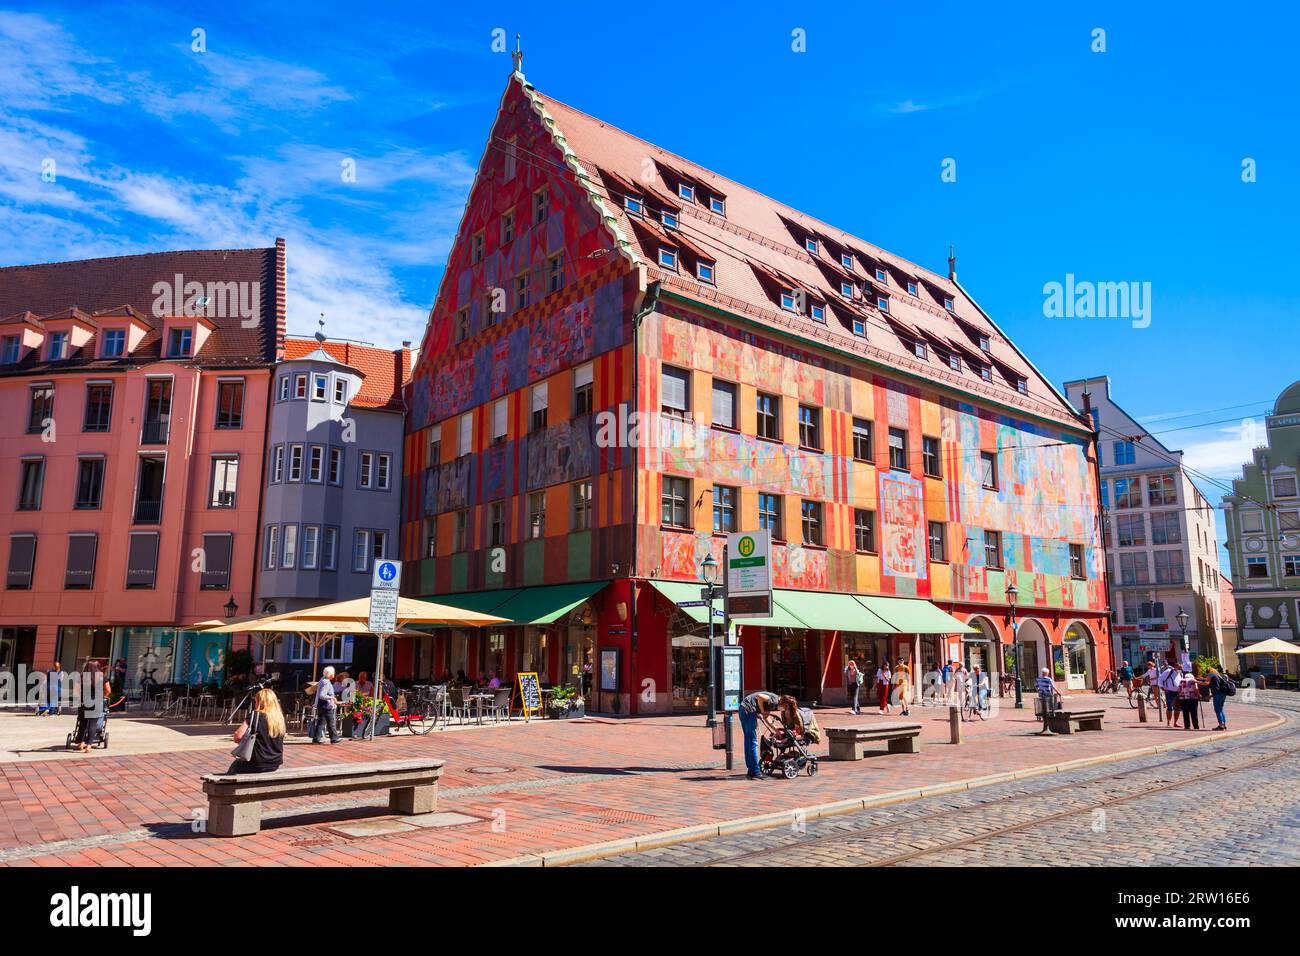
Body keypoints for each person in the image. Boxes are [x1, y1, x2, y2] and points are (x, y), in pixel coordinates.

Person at [227, 688, 286, 773]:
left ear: (259, 702)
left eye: (256, 701)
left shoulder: (255, 715)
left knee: (235, 767)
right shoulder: (279, 718)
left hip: (256, 762)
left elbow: (238, 736)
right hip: (274, 763)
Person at [738, 691, 781, 781]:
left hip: (743, 709)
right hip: (749, 711)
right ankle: (756, 772)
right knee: (753, 742)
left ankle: (751, 770)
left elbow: (766, 717)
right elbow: (759, 696)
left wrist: (776, 731)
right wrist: (761, 710)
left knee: (748, 741)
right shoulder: (775, 700)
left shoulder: (773, 702)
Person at [74, 664, 113, 753]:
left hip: (84, 702)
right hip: (96, 703)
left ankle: (81, 743)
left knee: (83, 723)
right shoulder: (102, 677)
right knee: (92, 723)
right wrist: (102, 696)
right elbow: (108, 690)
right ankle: (88, 746)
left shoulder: (82, 676)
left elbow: (76, 690)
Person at [312, 665, 342, 744]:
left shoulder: (322, 680)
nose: (334, 674)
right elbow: (322, 695)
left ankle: (316, 738)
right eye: (334, 673)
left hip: (321, 705)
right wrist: (332, 698)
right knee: (331, 722)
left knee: (321, 722)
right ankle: (334, 738)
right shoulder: (326, 682)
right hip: (326, 705)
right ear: (331, 674)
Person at [1205, 666, 1232, 730]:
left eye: (1207, 673)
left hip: (1218, 694)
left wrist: (1210, 695)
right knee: (1220, 709)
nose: (1207, 675)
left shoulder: (1212, 675)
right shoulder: (1218, 675)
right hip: (1223, 694)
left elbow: (1216, 688)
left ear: (1209, 672)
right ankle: (1223, 724)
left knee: (1217, 709)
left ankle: (1221, 725)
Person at [1158, 661, 1182, 728]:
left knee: (1178, 708)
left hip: (1178, 692)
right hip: (1170, 692)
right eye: (1179, 667)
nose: (1180, 669)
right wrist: (1163, 688)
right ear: (1175, 666)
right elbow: (1160, 679)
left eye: (1180, 668)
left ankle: (1175, 723)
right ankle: (1169, 722)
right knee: (1170, 707)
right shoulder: (1168, 671)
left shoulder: (1180, 673)